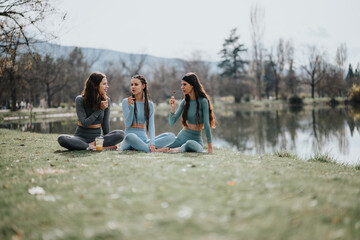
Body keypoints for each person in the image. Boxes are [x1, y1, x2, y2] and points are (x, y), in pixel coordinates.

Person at [58, 72, 124, 150]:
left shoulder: (107, 100)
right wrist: (100, 109)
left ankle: (89, 146)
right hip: (80, 138)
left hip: (97, 140)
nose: (107, 86)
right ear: (95, 86)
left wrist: (107, 139)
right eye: (104, 84)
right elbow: (85, 123)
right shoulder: (80, 100)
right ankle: (92, 147)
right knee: (62, 139)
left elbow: (105, 126)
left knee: (121, 134)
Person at [121, 75, 175, 152]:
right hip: (130, 140)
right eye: (132, 84)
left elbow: (151, 126)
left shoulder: (149, 104)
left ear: (143, 86)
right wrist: (132, 108)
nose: (133, 87)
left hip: (144, 140)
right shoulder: (126, 102)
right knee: (130, 136)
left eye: (136, 84)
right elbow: (128, 124)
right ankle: (155, 151)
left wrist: (152, 144)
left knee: (171, 136)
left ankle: (143, 147)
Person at [167, 72, 216, 154]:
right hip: (182, 136)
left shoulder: (203, 101)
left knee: (190, 144)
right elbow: (172, 122)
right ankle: (178, 148)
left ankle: (179, 149)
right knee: (165, 144)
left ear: (192, 85)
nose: (182, 87)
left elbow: (207, 125)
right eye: (181, 84)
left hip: (196, 139)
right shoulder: (185, 101)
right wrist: (173, 109)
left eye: (184, 84)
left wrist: (210, 147)